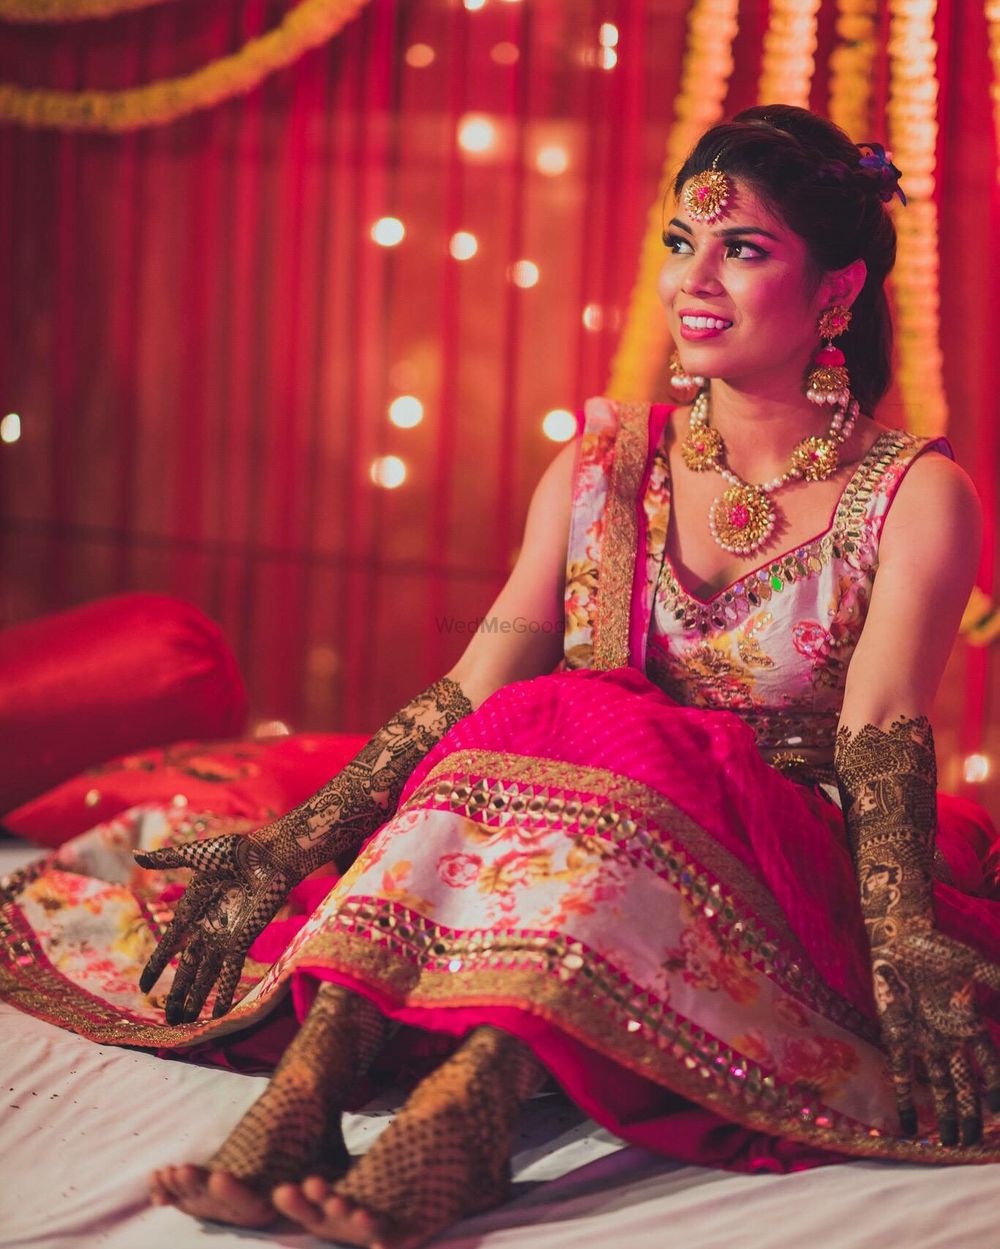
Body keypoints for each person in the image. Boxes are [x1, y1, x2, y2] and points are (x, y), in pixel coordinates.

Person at [4, 103, 1000, 1249]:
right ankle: (312, 1090)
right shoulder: (601, 466)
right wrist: (295, 842)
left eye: (744, 247)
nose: (696, 277)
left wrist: (904, 934)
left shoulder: (914, 494)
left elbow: (877, 723)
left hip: (769, 856)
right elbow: (476, 688)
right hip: (572, 829)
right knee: (551, 712)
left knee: (593, 720)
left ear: (834, 293)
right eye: (682, 241)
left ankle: (464, 1116)